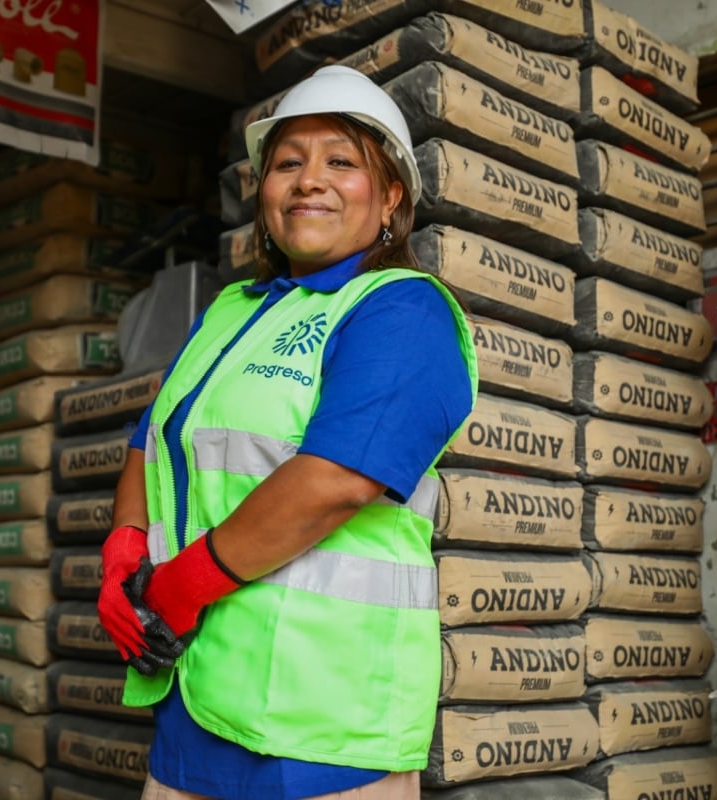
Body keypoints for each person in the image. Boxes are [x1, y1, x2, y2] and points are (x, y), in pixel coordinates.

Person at [98, 65, 479, 800]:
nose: (309, 181)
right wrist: (125, 549)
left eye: (341, 162)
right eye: (287, 164)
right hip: (192, 707)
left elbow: (337, 479)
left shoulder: (404, 311)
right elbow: (153, 439)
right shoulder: (230, 312)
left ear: (391, 197)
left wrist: (181, 584)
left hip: (324, 729)